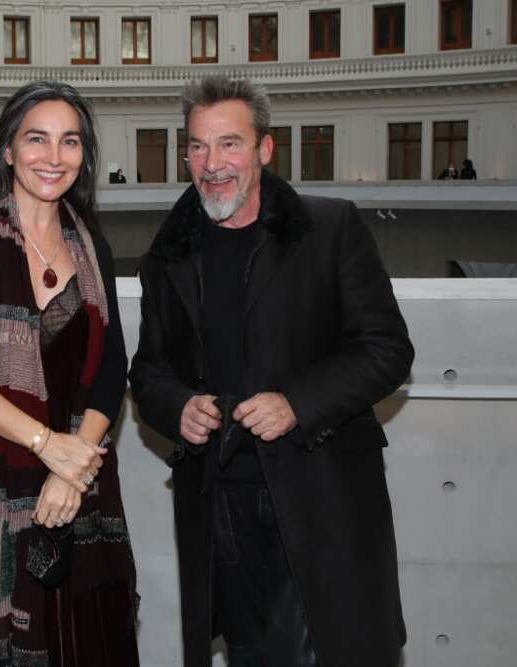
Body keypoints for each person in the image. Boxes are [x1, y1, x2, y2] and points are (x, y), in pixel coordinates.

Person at [129, 75, 413, 667]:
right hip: (222, 509)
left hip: (323, 498)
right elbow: (148, 370)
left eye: (229, 144)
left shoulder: (331, 228)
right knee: (257, 655)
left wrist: (296, 403)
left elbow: (387, 348)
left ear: (264, 149)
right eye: (198, 147)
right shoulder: (167, 254)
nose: (212, 164)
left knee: (346, 649)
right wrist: (177, 405)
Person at [0, 80, 140, 665]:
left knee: (89, 638)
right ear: (8, 151)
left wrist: (70, 469)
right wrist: (46, 446)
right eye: (36, 139)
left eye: (70, 142)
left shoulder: (93, 245)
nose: (53, 156)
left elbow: (112, 365)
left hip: (81, 480)